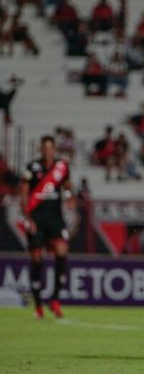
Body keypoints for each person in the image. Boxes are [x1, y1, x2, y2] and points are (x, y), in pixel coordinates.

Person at [19, 135, 75, 319]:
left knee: (62, 253)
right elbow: (23, 194)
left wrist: (69, 197)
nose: (48, 151)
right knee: (37, 259)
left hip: (55, 219)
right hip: (37, 220)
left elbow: (67, 186)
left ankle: (55, 299)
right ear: (40, 149)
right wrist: (28, 218)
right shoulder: (32, 168)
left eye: (51, 147)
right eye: (45, 147)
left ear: (54, 149)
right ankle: (38, 304)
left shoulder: (61, 167)